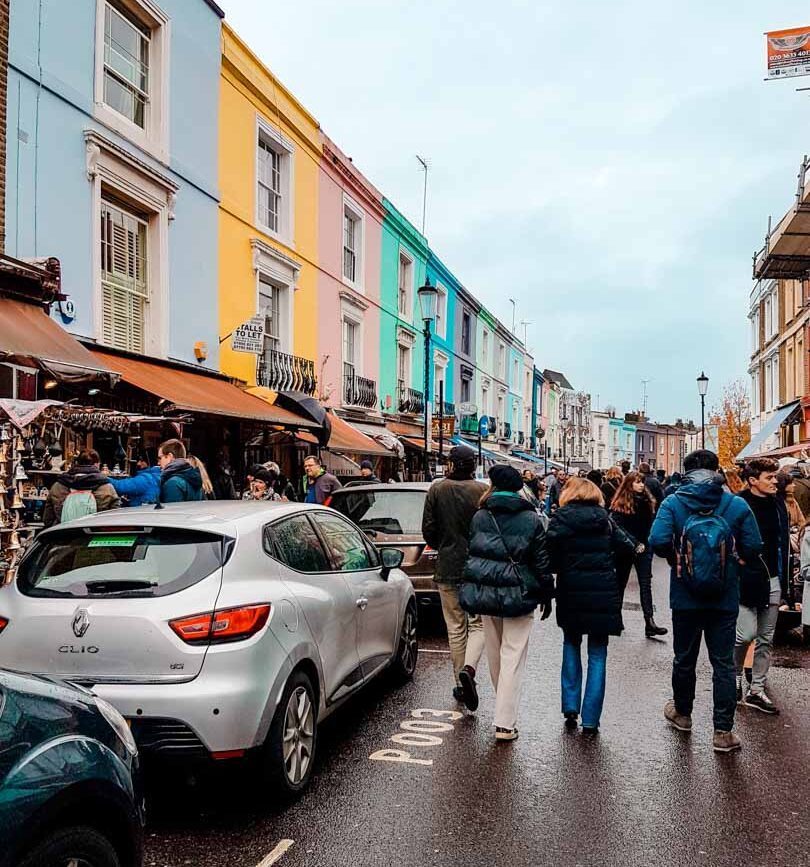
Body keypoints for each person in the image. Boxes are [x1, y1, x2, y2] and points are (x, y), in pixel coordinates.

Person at [649, 449, 763, 753]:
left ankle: (683, 714)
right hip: (724, 597)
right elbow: (754, 546)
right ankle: (722, 731)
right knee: (723, 663)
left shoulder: (674, 502)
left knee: (684, 658)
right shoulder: (735, 504)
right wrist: (735, 564)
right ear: (717, 471)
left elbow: (657, 540)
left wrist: (677, 560)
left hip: (685, 595)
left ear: (687, 473)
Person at [459, 465, 554, 741]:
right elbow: (541, 562)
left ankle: (503, 711)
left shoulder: (480, 516)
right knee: (513, 654)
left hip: (488, 592)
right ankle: (504, 722)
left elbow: (474, 554)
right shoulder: (531, 519)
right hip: (519, 593)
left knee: (495, 652)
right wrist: (547, 593)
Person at [546, 478, 635, 735]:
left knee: (571, 643)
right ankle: (591, 719)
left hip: (571, 591)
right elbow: (628, 550)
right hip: (602, 593)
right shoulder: (606, 521)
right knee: (598, 653)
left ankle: (570, 705)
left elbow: (549, 558)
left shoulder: (560, 520)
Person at [422, 444, 488, 708]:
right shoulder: (482, 491)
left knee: (455, 627)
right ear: (473, 465)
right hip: (477, 567)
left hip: (448, 566)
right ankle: (469, 669)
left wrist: (445, 546)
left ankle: (461, 683)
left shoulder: (437, 489)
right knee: (478, 625)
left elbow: (428, 530)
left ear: (451, 464)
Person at [734, 459, 788, 714]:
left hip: (773, 578)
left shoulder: (778, 505)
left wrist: (784, 582)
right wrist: (739, 561)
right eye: (769, 477)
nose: (775, 481)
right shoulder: (738, 503)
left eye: (775, 477)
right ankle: (733, 678)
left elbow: (782, 543)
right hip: (746, 578)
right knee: (745, 634)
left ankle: (757, 689)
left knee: (766, 639)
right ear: (753, 480)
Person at [610, 471, 668, 637]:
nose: (641, 485)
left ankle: (649, 622)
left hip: (645, 547)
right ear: (629, 484)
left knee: (646, 585)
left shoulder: (647, 502)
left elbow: (651, 525)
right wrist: (634, 544)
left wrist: (649, 542)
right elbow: (617, 528)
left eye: (642, 482)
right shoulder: (620, 504)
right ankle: (615, 619)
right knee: (620, 583)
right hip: (625, 549)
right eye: (637, 482)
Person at [43, 449, 120, 526]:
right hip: (95, 535)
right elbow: (114, 518)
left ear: (77, 463)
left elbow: (48, 520)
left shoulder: (58, 486)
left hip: (64, 534)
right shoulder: (107, 488)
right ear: (96, 464)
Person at [157, 439, 204, 503]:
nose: (158, 463)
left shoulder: (172, 483)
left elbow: (172, 512)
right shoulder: (194, 476)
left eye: (160, 458)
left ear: (170, 456)